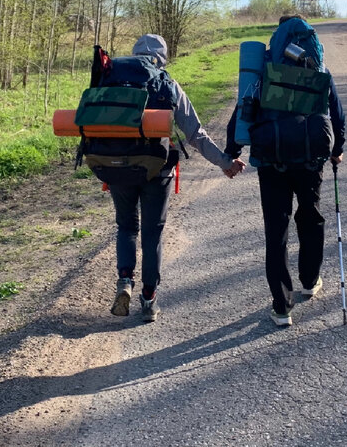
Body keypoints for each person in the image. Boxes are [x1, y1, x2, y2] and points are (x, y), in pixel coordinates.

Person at [89, 34, 244, 322]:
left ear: (135, 53)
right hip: (155, 169)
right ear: (161, 57)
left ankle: (124, 280)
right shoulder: (166, 82)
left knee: (125, 227)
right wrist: (225, 163)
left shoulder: (108, 77)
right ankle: (148, 299)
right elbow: (195, 134)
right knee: (152, 232)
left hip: (114, 166)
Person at [226, 15, 345, 327]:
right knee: (311, 216)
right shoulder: (319, 67)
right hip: (309, 157)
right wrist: (338, 149)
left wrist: (232, 151)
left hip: (271, 160)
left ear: (276, 37)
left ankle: (281, 307)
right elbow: (336, 111)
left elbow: (244, 106)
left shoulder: (263, 67)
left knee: (276, 230)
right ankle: (310, 279)